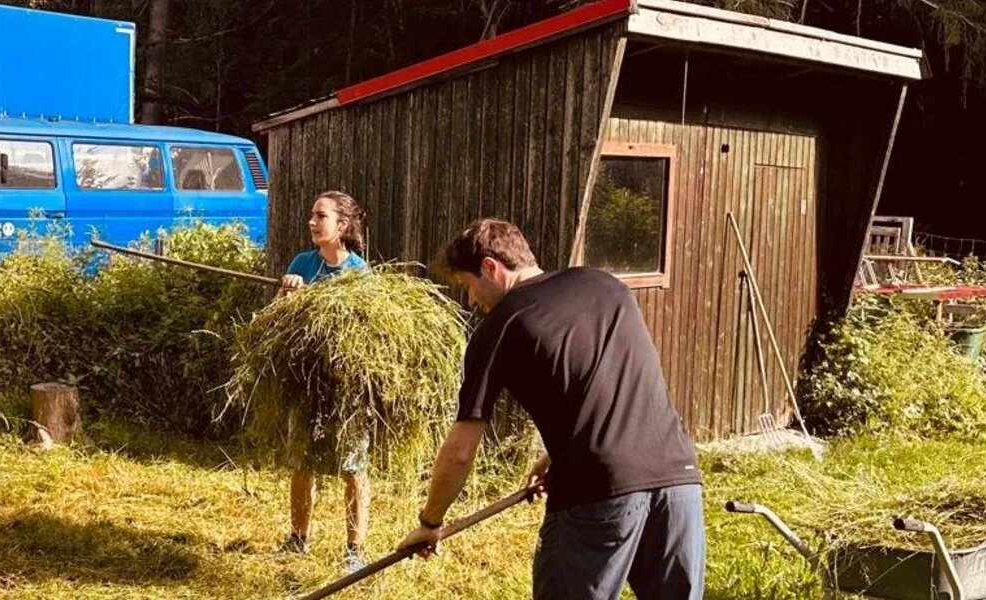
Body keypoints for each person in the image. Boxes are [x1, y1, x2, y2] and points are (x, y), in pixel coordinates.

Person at [395, 218, 705, 600]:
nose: (472, 301)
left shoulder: (502, 326)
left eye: (468, 286)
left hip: (597, 493)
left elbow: (461, 450)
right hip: (678, 478)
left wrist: (431, 521)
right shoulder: (604, 285)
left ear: (491, 267)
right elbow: (609, 381)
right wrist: (560, 451)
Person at [275, 190, 373, 572]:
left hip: (346, 385)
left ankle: (354, 549)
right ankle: (298, 537)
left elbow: (367, 332)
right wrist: (287, 294)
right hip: (306, 381)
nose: (313, 223)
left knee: (352, 466)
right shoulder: (302, 263)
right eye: (312, 216)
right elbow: (274, 321)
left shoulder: (358, 273)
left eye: (321, 216)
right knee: (301, 462)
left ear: (342, 225)